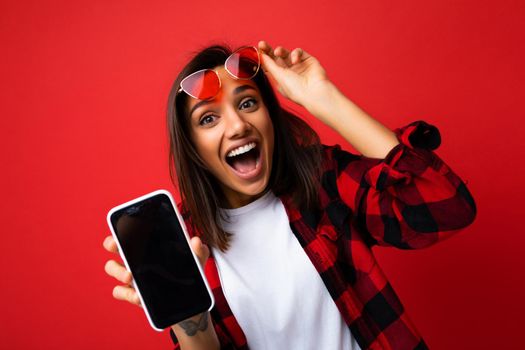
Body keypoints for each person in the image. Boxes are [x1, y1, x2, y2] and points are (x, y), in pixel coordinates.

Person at [103, 40, 476, 350]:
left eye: (248, 103)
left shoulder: (321, 180)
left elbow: (446, 206)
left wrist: (322, 98)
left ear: (270, 116)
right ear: (192, 147)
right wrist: (190, 321)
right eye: (208, 118)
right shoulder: (186, 242)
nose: (238, 125)